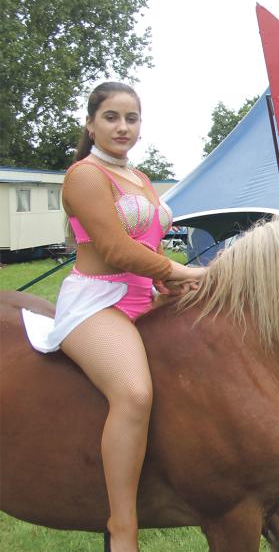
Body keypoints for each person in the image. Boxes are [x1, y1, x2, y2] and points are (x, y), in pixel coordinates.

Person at [21, 82, 205, 551]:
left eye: (131, 118)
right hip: (99, 302)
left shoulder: (140, 178)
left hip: (147, 297)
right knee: (134, 393)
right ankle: (122, 528)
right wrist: (183, 269)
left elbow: (149, 243)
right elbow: (115, 249)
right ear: (91, 123)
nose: (123, 127)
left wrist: (168, 280)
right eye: (111, 117)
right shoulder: (84, 176)